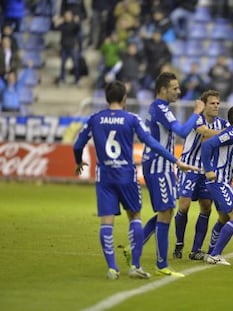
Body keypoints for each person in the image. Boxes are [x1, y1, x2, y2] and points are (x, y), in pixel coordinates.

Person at [72, 81, 197, 280]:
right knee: (135, 217)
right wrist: (175, 160)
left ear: (106, 97)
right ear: (124, 99)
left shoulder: (94, 118)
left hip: (104, 176)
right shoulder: (131, 118)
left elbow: (78, 144)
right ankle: (135, 266)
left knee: (106, 222)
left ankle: (112, 268)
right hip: (126, 175)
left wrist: (78, 162)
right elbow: (150, 142)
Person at [142, 72, 205, 277]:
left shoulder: (159, 108)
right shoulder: (160, 108)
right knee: (166, 212)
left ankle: (135, 246)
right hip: (158, 166)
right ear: (162, 89)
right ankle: (161, 265)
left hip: (164, 165)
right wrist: (197, 112)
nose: (179, 91)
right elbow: (183, 131)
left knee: (167, 210)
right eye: (175, 88)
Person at [173, 90, 230, 260]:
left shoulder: (221, 123)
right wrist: (225, 135)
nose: (216, 106)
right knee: (184, 205)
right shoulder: (197, 119)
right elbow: (204, 132)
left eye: (218, 103)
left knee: (206, 207)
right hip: (189, 168)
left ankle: (196, 249)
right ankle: (179, 243)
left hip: (207, 170)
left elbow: (231, 135)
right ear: (204, 105)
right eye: (212, 103)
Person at [200, 105, 233, 265]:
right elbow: (207, 145)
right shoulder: (231, 133)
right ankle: (215, 254)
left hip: (224, 181)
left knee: (223, 217)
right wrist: (208, 170)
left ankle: (211, 252)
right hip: (218, 181)